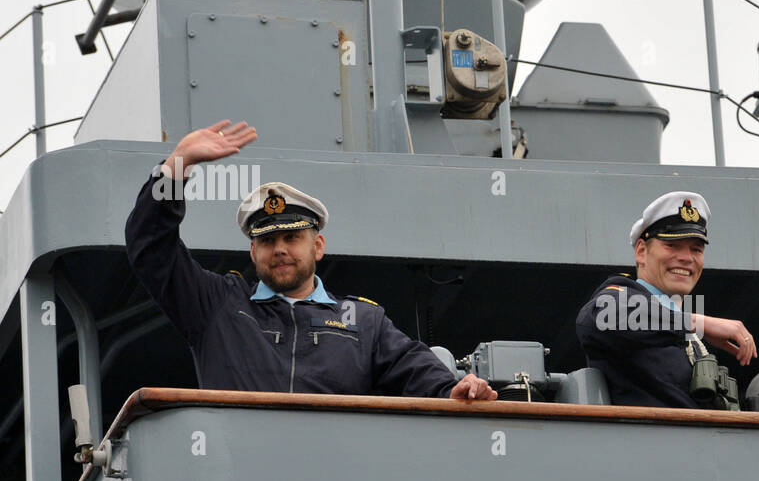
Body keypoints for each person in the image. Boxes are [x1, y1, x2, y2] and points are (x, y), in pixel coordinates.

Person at [125, 119, 496, 400]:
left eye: (292, 237)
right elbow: (149, 245)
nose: (280, 248)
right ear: (253, 252)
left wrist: (455, 389)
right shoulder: (218, 305)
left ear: (317, 246)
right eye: (267, 240)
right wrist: (176, 166)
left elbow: (416, 372)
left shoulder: (363, 321)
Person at [575, 191, 756, 407]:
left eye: (696, 249)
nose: (686, 258)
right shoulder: (619, 298)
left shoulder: (682, 332)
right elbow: (599, 317)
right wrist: (698, 323)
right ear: (641, 251)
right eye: (672, 246)